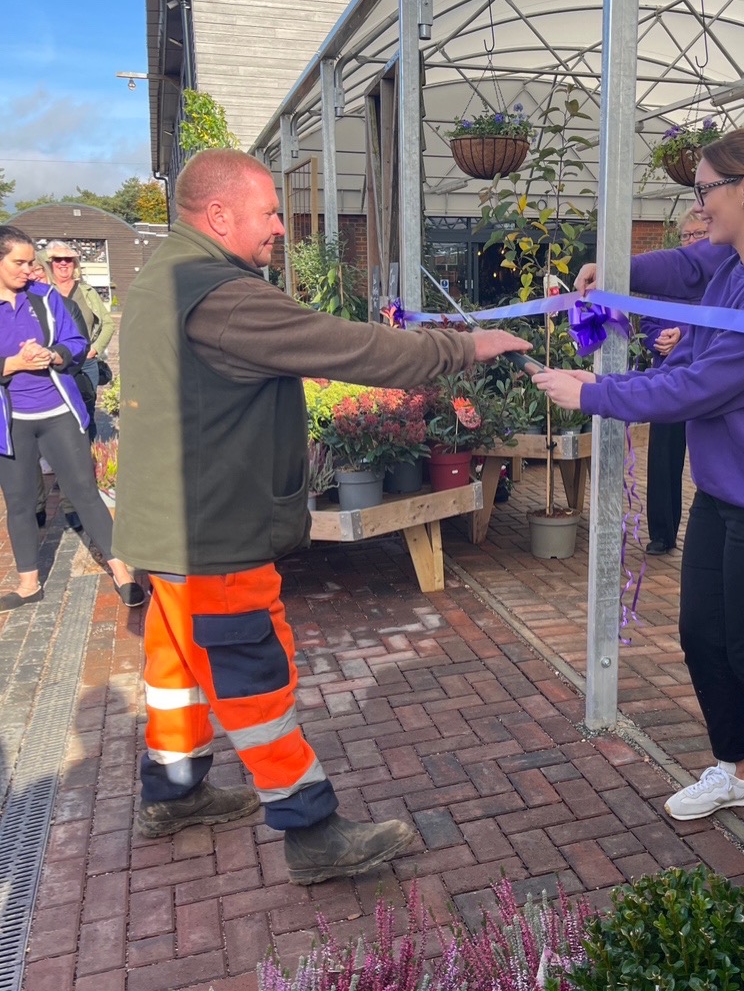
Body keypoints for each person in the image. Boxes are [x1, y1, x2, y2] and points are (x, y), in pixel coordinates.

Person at [115, 149, 531, 880]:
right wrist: (465, 346)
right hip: (213, 531)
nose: (281, 226)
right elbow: (355, 348)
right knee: (253, 678)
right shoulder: (224, 295)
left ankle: (175, 793)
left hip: (165, 527)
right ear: (219, 216)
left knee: (176, 667)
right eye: (270, 212)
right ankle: (313, 833)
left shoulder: (160, 278)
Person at [546, 123, 744, 841]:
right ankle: (738, 771)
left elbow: (702, 386)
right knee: (704, 636)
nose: (699, 205)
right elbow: (682, 274)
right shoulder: (735, 264)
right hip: (728, 491)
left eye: (706, 189)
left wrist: (594, 394)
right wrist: (612, 270)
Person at [0, 226, 143, 608]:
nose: (30, 269)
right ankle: (29, 584)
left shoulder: (44, 297)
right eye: (20, 262)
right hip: (11, 422)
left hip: (58, 412)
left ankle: (123, 572)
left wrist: (54, 355)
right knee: (19, 501)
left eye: (32, 261)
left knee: (84, 492)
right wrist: (10, 364)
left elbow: (77, 341)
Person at [643, 205, 710, 553]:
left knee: (709, 452)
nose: (692, 240)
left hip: (705, 378)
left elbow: (716, 325)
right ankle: (661, 533)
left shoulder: (719, 277)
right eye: (687, 235)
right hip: (667, 374)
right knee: (663, 456)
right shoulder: (666, 279)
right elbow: (648, 323)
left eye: (699, 234)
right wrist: (660, 338)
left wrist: (682, 334)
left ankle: (709, 526)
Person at [40, 241, 114, 425]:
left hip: (87, 362)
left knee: (87, 410)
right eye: (58, 260)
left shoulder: (87, 291)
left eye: (68, 259)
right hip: (57, 362)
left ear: (75, 264)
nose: (63, 263)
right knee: (58, 411)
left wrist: (95, 349)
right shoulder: (44, 292)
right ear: (49, 264)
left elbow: (108, 323)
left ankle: (91, 451)